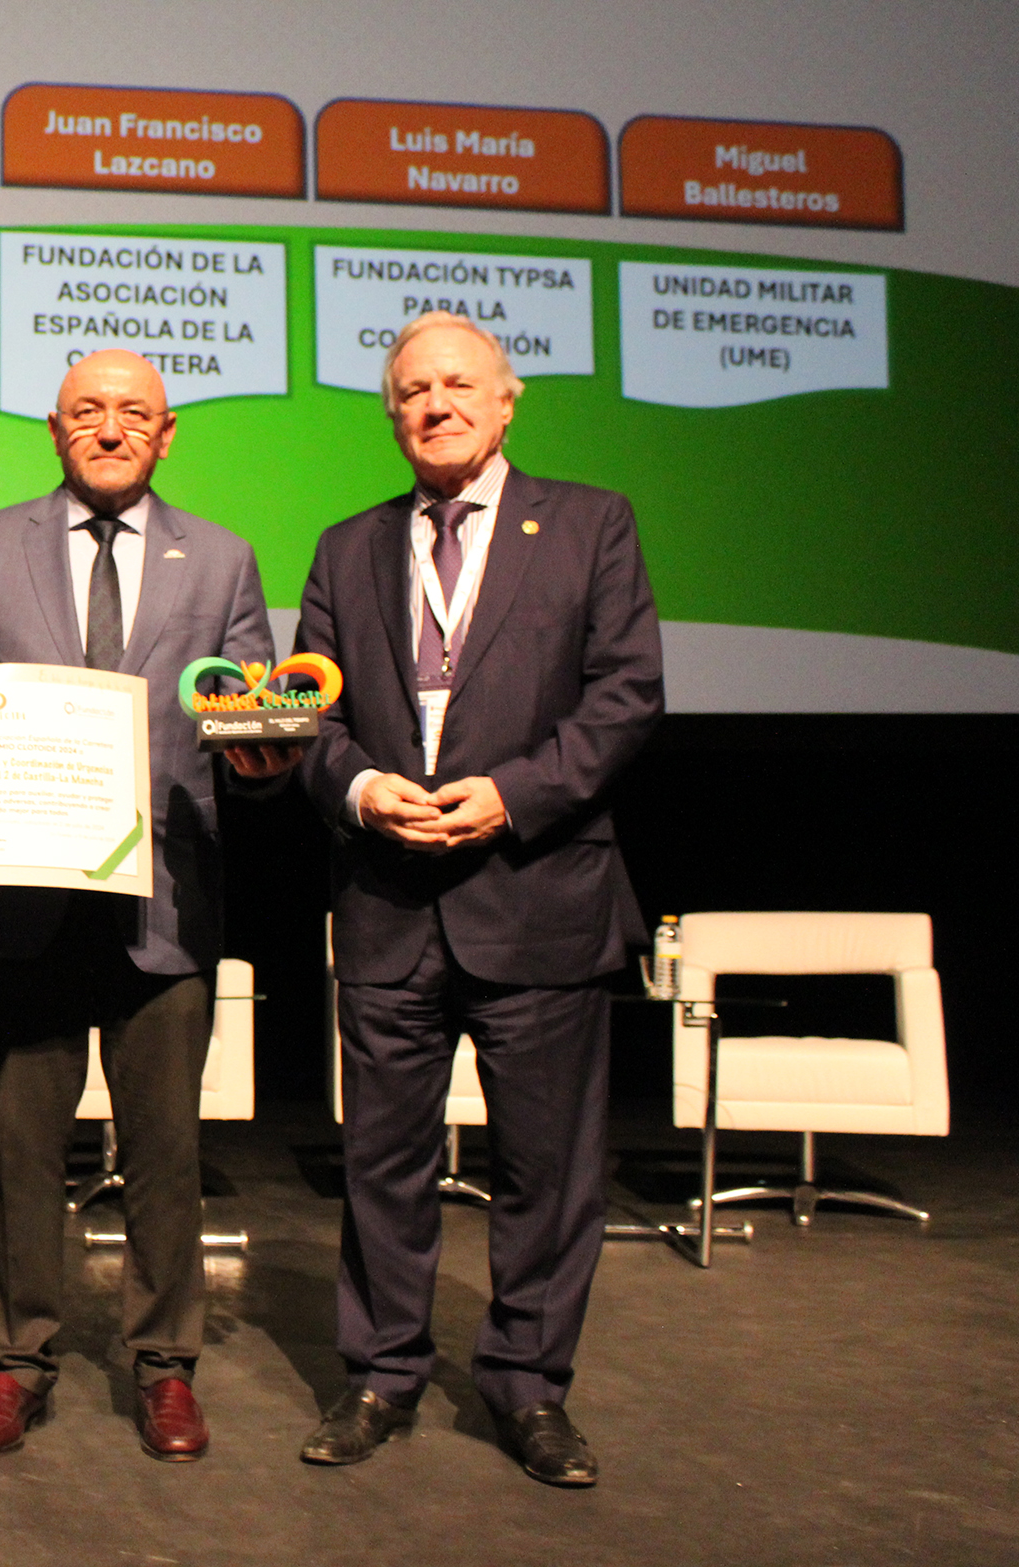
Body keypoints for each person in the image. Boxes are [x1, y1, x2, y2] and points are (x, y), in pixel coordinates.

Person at [293, 312, 663, 1484]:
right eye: (410, 390)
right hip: (391, 900)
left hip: (539, 893)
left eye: (457, 385)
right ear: (390, 413)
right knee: (381, 1163)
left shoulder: (591, 523)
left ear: (506, 403)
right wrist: (355, 790)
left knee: (548, 1173)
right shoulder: (345, 546)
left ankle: (527, 1388)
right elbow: (306, 716)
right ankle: (382, 1375)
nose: (433, 404)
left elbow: (625, 697)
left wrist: (509, 795)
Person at [0, 349, 295, 1463]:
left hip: (166, 905)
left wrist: (263, 751)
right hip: (19, 902)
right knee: (20, 1146)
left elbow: (244, 707)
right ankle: (13, 1360)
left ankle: (165, 1368)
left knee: (166, 1152)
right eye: (88, 411)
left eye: (134, 413)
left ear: (166, 434)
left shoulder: (219, 558)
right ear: (55, 428)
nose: (111, 428)